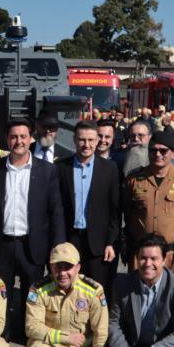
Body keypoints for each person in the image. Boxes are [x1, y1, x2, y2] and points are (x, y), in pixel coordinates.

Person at [0, 118, 65, 341]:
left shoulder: (46, 170)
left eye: (23, 136)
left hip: (32, 245)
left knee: (32, 298)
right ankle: (1, 341)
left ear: (31, 139)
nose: (18, 141)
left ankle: (30, 342)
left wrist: (57, 249)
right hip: (2, 245)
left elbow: (55, 212)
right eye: (14, 137)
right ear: (7, 140)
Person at [123, 130, 174, 280]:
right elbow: (128, 211)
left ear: (172, 152)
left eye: (163, 151)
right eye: (153, 150)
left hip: (173, 254)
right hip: (143, 254)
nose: (158, 154)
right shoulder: (134, 179)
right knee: (139, 293)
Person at [56, 120, 120, 295]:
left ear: (97, 140)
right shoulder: (61, 167)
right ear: (74, 140)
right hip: (69, 239)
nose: (86, 144)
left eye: (91, 140)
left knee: (97, 291)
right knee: (68, 290)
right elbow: (56, 208)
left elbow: (115, 210)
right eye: (82, 140)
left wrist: (110, 242)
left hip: (98, 243)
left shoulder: (110, 169)